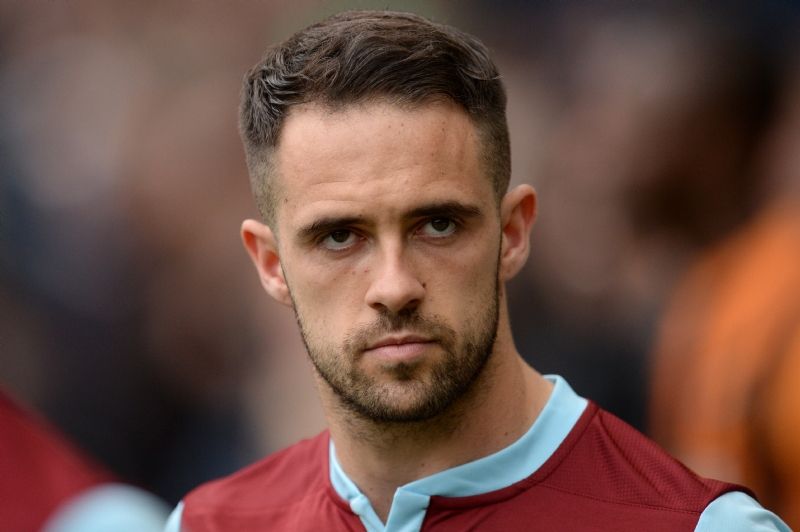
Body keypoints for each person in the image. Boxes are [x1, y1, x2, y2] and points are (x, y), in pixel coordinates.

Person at [165, 10, 789, 531]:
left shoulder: (699, 526)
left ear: (513, 233)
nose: (394, 286)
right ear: (271, 265)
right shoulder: (206, 525)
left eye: (438, 225)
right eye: (339, 237)